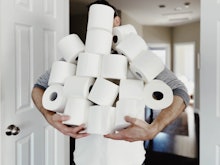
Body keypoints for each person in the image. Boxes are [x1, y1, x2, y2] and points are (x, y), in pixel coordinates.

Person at [31, 0, 190, 164]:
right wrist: (50, 117)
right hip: (86, 157)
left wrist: (154, 129)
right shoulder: (78, 56)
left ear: (116, 21)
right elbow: (39, 87)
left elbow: (180, 91)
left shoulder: (138, 57)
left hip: (128, 158)